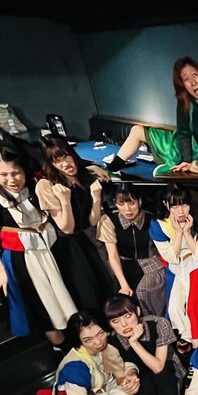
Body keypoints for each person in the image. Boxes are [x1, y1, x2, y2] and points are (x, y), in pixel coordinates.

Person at [0, 144, 76, 346]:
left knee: (69, 295)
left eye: (16, 173)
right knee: (43, 305)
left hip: (53, 249)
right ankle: (62, 347)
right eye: (3, 175)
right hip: (23, 259)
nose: (11, 180)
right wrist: (0, 270)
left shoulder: (35, 184)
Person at [108, 57, 198, 175]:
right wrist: (186, 159)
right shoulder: (184, 104)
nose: (193, 82)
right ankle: (111, 170)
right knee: (137, 130)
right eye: (186, 79)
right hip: (181, 147)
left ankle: (186, 166)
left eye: (195, 75)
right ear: (183, 85)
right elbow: (183, 134)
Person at [36, 134, 114, 315]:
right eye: (56, 161)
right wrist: (65, 201)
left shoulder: (84, 175)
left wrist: (96, 198)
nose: (64, 164)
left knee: (107, 286)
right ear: (50, 164)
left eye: (66, 156)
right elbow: (67, 228)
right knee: (88, 295)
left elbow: (92, 221)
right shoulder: (46, 185)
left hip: (90, 239)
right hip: (69, 248)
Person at [149, 183, 198, 349]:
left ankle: (196, 343)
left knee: (194, 306)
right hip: (175, 268)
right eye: (175, 206)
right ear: (166, 205)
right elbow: (171, 257)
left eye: (184, 205)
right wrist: (178, 234)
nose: (181, 211)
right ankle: (187, 336)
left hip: (197, 266)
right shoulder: (159, 225)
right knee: (174, 307)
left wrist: (187, 233)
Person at [97, 183, 166, 317]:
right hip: (123, 264)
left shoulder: (152, 219)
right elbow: (112, 255)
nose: (127, 209)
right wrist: (123, 284)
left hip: (150, 262)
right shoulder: (109, 221)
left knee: (145, 292)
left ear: (139, 201)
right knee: (123, 299)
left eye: (131, 203)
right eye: (121, 204)